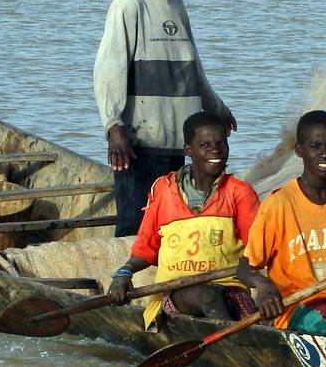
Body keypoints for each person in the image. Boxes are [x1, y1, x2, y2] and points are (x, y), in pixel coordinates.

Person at [94, 0, 234, 236]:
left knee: (174, 226)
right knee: (136, 226)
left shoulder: (178, 5)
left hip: (179, 143)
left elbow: (193, 68)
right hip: (140, 143)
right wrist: (113, 126)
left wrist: (218, 109)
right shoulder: (128, 4)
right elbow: (109, 69)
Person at [109, 111, 259, 325]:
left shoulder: (240, 193)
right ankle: (233, 348)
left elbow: (258, 248)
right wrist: (124, 273)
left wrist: (261, 282)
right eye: (205, 145)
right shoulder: (163, 190)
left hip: (229, 287)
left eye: (220, 143)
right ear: (188, 150)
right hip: (175, 291)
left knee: (247, 316)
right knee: (209, 297)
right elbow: (145, 249)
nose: (215, 150)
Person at [239, 110, 326, 335]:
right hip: (301, 304)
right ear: (299, 151)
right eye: (316, 146)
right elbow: (245, 267)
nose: (325, 153)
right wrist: (263, 287)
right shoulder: (279, 204)